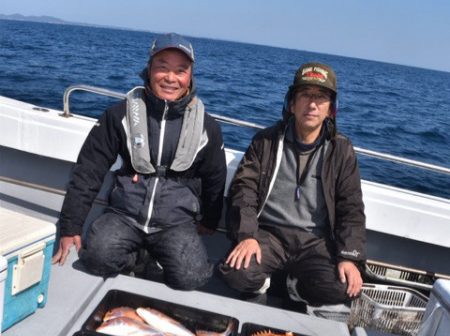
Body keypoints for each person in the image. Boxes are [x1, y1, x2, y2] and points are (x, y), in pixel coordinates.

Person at [53, 33, 227, 290]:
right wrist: (70, 227)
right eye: (163, 67)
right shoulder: (118, 115)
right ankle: (137, 257)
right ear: (149, 70)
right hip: (125, 214)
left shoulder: (207, 127)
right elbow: (89, 170)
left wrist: (210, 221)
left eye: (181, 70)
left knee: (192, 278)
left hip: (176, 221)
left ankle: (154, 257)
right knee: (95, 258)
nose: (170, 78)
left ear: (190, 76)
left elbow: (215, 178)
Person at [220, 61, 366, 306]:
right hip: (269, 234)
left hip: (316, 240)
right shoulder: (265, 140)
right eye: (305, 95)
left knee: (345, 288)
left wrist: (349, 257)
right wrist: (247, 234)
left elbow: (350, 208)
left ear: (332, 108)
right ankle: (261, 281)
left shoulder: (341, 150)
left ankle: (296, 287)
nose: (312, 104)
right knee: (236, 273)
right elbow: (244, 190)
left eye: (320, 97)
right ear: (291, 102)